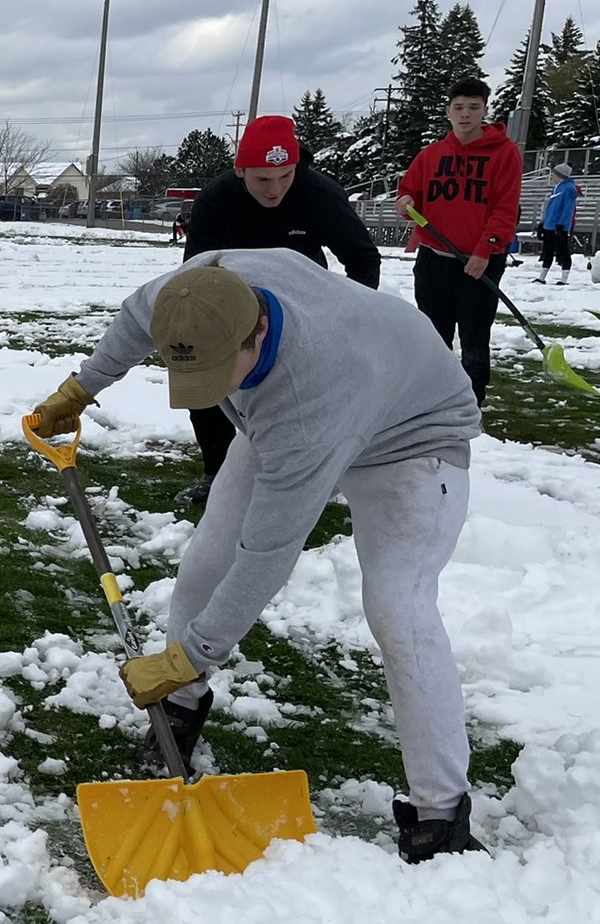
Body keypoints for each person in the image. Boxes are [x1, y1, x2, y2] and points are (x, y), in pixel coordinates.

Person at [30, 249, 485, 862]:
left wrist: (191, 653)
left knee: (397, 608)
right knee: (205, 561)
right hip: (306, 406)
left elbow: (269, 552)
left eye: (223, 369)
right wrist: (81, 388)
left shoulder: (307, 394)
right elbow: (136, 318)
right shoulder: (193, 294)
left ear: (258, 332)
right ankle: (182, 710)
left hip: (414, 439)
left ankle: (441, 815)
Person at [175, 115, 382, 507]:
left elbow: (362, 258)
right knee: (203, 377)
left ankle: (307, 469)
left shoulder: (319, 193)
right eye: (263, 180)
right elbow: (196, 273)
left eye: (285, 177)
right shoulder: (216, 200)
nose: (275, 190)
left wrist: (346, 314)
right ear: (240, 170)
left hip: (304, 305)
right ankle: (216, 472)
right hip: (230, 300)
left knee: (303, 394)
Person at [396, 78, 524, 406]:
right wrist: (406, 201)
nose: (465, 114)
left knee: (474, 339)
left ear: (484, 111)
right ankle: (430, 403)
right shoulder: (432, 154)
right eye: (459, 108)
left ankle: (471, 406)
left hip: (479, 261)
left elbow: (505, 208)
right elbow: (409, 190)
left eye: (473, 107)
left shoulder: (505, 153)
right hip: (435, 258)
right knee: (433, 335)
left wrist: (485, 250)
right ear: (448, 111)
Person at [534, 162, 578, 285]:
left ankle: (564, 278)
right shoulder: (557, 187)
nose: (552, 175)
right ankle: (542, 277)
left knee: (563, 250)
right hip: (549, 225)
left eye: (554, 173)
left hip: (559, 227)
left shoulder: (569, 188)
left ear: (560, 175)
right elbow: (551, 208)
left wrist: (562, 225)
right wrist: (543, 223)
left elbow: (568, 209)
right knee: (547, 251)